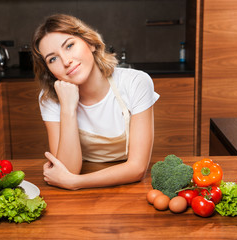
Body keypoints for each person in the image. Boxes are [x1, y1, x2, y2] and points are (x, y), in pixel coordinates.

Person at [31, 14, 159, 190]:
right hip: (81, 190)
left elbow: (137, 169)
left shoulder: (135, 82)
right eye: (53, 59)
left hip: (130, 186)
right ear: (49, 71)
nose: (66, 61)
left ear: (90, 43)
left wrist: (77, 182)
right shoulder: (49, 98)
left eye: (69, 46)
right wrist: (68, 108)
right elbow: (67, 170)